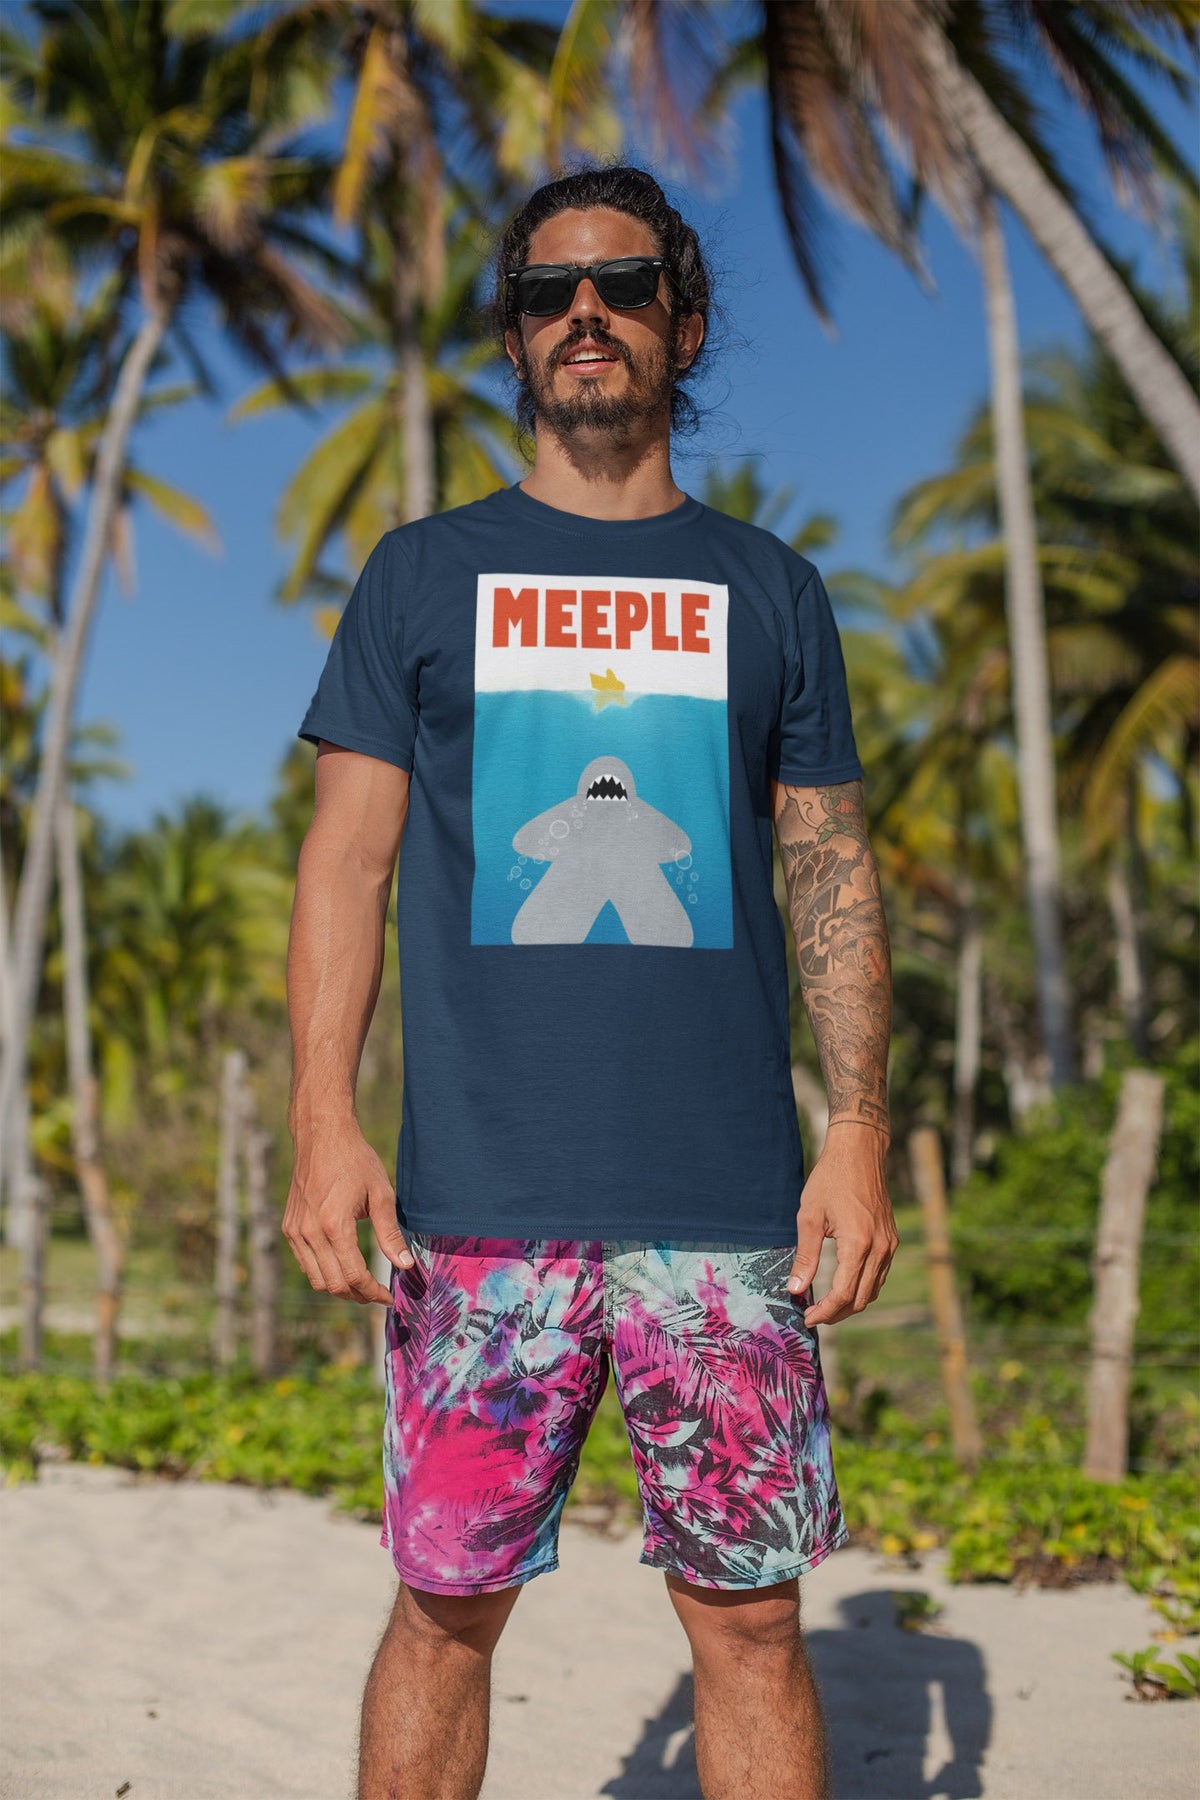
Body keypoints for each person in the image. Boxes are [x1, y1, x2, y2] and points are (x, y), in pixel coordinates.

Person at [285, 163, 898, 1800]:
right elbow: (343, 862)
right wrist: (323, 1124)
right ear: (513, 336)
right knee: (442, 1608)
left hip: (724, 1204)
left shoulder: (772, 587)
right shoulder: (422, 574)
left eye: (624, 284)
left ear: (680, 323)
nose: (587, 315)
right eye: (550, 293)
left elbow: (829, 867)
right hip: (477, 1200)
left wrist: (857, 1128)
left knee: (752, 1619)